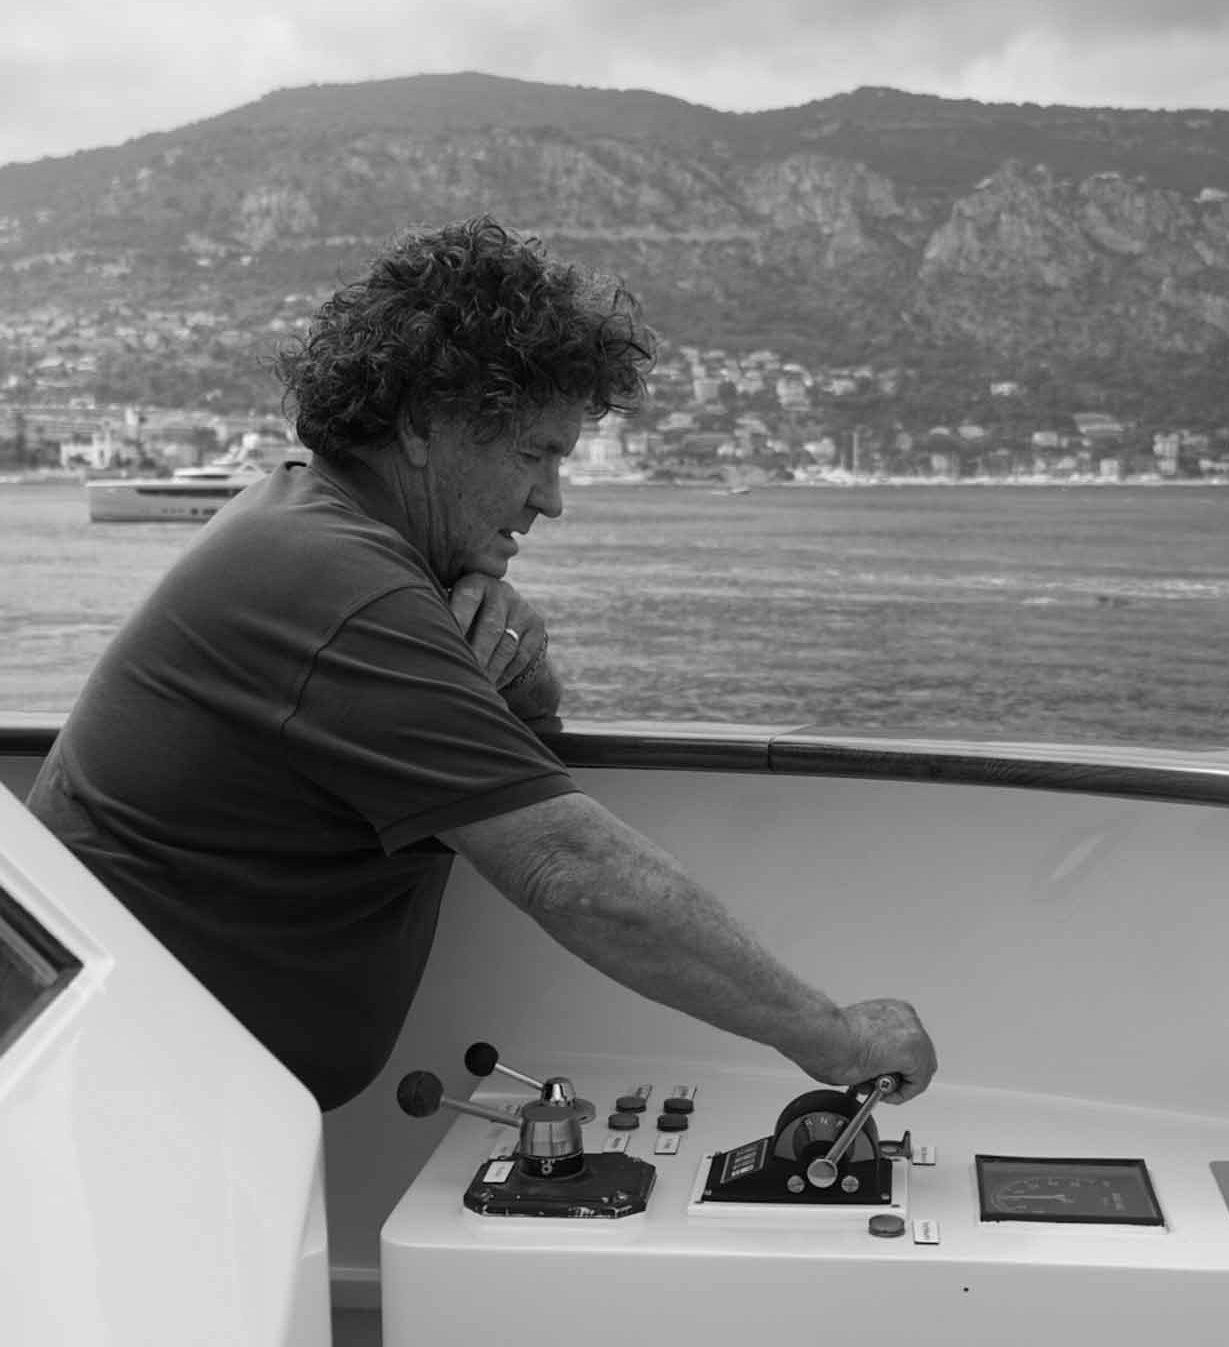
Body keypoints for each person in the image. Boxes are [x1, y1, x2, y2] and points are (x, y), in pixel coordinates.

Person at [27, 217, 936, 1112]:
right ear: (426, 424)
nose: (552, 499)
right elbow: (568, 869)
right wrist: (833, 1035)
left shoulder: (329, 531)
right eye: (535, 453)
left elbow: (515, 738)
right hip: (117, 1093)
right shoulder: (341, 583)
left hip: (144, 1075)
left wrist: (519, 653)